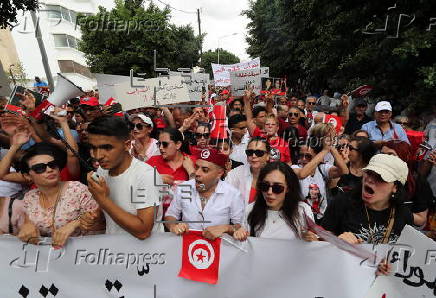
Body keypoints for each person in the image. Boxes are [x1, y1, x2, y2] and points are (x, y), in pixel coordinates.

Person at [86, 116, 163, 239]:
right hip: (116, 253)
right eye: (93, 148)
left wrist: (103, 200)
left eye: (107, 147)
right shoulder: (102, 170)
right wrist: (93, 218)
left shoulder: (146, 176)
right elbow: (110, 214)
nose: (98, 155)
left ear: (127, 145)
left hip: (147, 255)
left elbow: (143, 231)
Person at [17, 142, 101, 246]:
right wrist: (26, 226)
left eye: (52, 165)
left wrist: (74, 224)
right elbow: (26, 225)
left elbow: (99, 221)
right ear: (27, 176)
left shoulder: (77, 189)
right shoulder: (30, 197)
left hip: (85, 252)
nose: (49, 170)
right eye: (40, 168)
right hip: (48, 256)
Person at [320, 154, 413, 244]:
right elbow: (322, 239)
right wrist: (337, 241)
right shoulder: (342, 203)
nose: (370, 180)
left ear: (395, 187)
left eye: (380, 177)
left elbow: (407, 253)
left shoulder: (403, 215)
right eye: (369, 173)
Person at [164, 148, 244, 240]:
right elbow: (171, 215)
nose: (197, 173)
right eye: (196, 167)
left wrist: (226, 228)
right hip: (187, 247)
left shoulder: (233, 194)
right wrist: (173, 226)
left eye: (205, 170)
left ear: (219, 173)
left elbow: (239, 226)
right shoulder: (183, 188)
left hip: (219, 250)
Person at [233, 162, 314, 240]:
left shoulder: (302, 210)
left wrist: (312, 240)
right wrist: (240, 234)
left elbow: (313, 246)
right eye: (265, 186)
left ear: (288, 188)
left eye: (277, 188)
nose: (269, 192)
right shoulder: (250, 209)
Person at [291, 130, 349, 222]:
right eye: (301, 155)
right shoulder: (294, 168)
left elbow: (344, 172)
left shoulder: (322, 169)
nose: (303, 159)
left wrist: (331, 148)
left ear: (317, 156)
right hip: (302, 219)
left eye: (308, 156)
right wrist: (325, 150)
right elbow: (302, 174)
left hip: (322, 218)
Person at [381, 140, 431, 226]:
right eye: (382, 154)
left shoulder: (418, 182)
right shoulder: (374, 175)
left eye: (390, 155)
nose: (384, 158)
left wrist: (393, 211)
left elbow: (421, 219)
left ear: (404, 157)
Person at [226, 137, 270, 206]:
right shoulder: (236, 173)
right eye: (250, 152)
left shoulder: (275, 175)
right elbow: (226, 195)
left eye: (259, 152)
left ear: (268, 155)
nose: (254, 156)